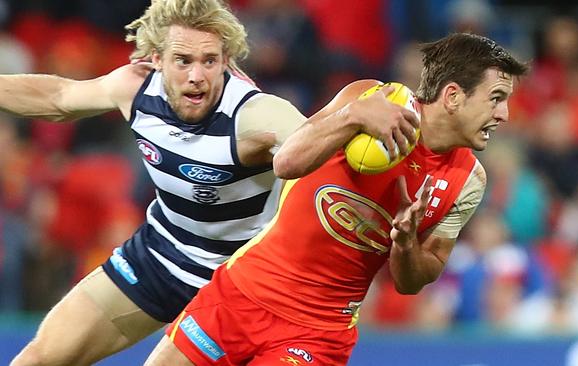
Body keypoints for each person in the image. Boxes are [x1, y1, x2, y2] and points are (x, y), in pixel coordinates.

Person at [6, 1, 419, 365]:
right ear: (155, 60)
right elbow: (58, 98)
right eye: (183, 60)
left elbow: (312, 147)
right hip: (158, 257)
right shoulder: (134, 87)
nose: (197, 76)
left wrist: (351, 119)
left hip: (239, 287)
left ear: (227, 61)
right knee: (39, 358)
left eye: (210, 60)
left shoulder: (254, 115)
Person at [144, 32, 529, 366]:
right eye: (495, 98)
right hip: (242, 293)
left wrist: (406, 243)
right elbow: (287, 162)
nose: (505, 114)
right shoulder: (370, 97)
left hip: (317, 334)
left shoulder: (468, 181)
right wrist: (352, 116)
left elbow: (413, 281)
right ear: (452, 96)